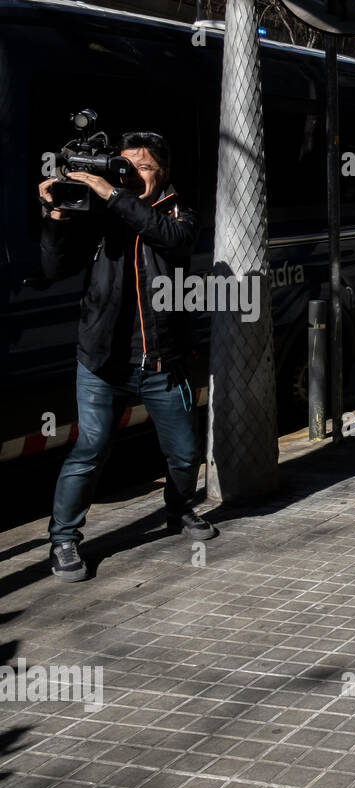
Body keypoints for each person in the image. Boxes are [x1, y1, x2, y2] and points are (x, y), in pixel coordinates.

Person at [39, 131, 214, 583]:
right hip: (101, 361)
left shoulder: (179, 212)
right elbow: (56, 267)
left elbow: (167, 237)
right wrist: (57, 213)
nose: (132, 172)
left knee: (184, 452)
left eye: (144, 165)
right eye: (125, 163)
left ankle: (178, 510)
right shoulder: (100, 213)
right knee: (90, 449)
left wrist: (112, 194)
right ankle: (63, 540)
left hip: (162, 360)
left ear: (164, 172)